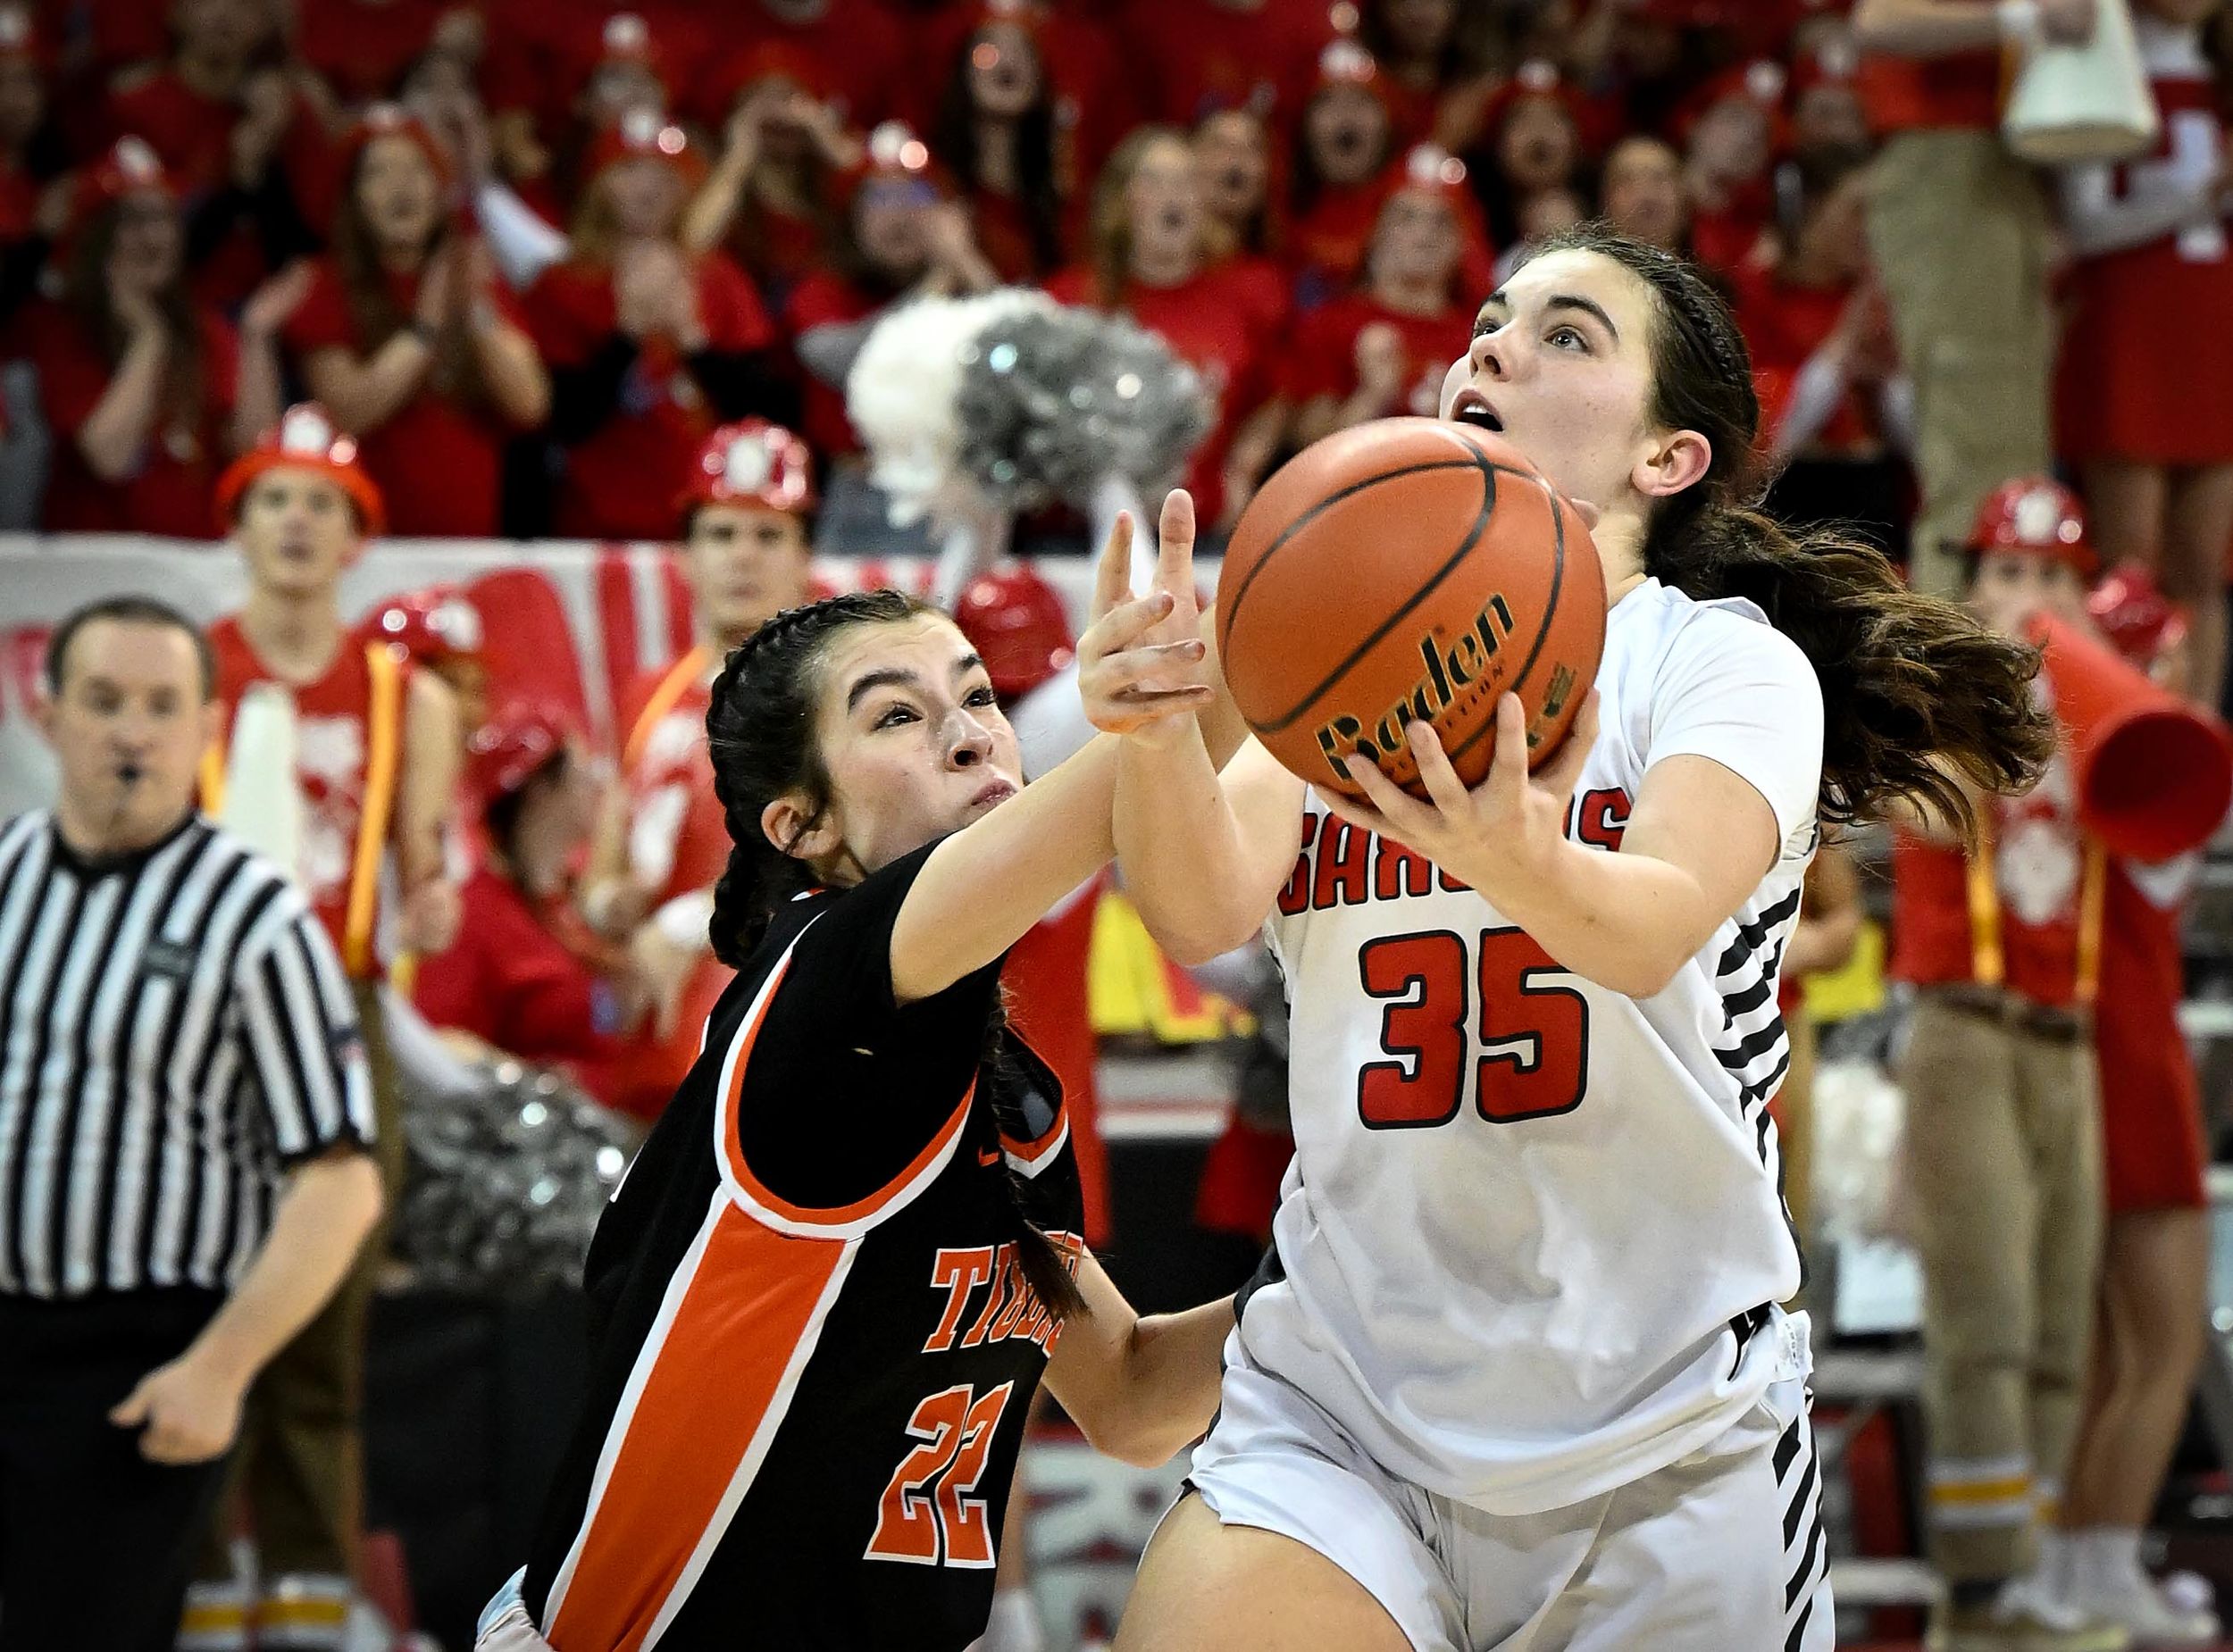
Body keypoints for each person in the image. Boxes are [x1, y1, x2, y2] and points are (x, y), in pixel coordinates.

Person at [1103, 225, 2053, 1652]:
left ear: (1667, 458)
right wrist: (1161, 731)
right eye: (1489, 320)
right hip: (1346, 1404)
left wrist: (1520, 856)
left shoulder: (1722, 664)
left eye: (1566, 334)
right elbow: (1197, 906)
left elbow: (1654, 916)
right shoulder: (1346, 639)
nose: (1490, 344)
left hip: (1668, 1436)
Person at [476, 505, 1237, 1652]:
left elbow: (1129, 1393)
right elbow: (1109, 799)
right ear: (803, 826)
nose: (974, 733)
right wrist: (1262, 639)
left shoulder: (1010, 1094)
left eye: (979, 696)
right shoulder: (821, 998)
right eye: (898, 713)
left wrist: (1334, 1279)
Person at [0, 596, 381, 1652]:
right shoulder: (8, 874)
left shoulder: (254, 914)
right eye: (105, 700)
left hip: (139, 1356)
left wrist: (220, 1366)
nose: (133, 730)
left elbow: (341, 1183)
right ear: (48, 715)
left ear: (206, 730)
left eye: (162, 705)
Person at [187, 404, 462, 1652]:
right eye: (274, 498)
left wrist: (440, 886)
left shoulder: (406, 692)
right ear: (236, 526)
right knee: (185, 1293)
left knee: (324, 1308)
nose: (297, 522)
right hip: (187, 1012)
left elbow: (430, 884)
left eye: (323, 504)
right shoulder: (183, 668)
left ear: (357, 539)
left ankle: (305, 1591)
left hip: (335, 1003)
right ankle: (189, 1575)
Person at [1888, 479, 2131, 1652]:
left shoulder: (2114, 709)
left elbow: (2169, 845)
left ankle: (2026, 1579)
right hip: (1967, 1030)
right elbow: (1932, 818)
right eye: (2009, 574)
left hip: (2067, 1039)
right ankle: (1976, 1601)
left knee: (2055, 1331)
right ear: (1971, 586)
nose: (2030, 599)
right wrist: (2020, 701)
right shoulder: (1940, 697)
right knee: (1980, 1322)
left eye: (2052, 579)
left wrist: (2127, 692)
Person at [2053, 565, 2220, 1648]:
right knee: (2162, 1346)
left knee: (2114, 1350)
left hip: (2088, 1048)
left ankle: (2076, 1565)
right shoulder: (2157, 756)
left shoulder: (2060, 758)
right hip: (2140, 1052)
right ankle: (2105, 1564)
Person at [581, 418, 819, 1120]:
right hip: (654, 1045)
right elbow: (603, 862)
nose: (742, 558)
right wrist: (609, 906)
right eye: (721, 535)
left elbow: (841, 856)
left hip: (782, 1039)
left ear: (805, 556)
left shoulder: (831, 696)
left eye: (767, 535)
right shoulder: (647, 694)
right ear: (684, 556)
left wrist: (686, 925)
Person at [1852, 0, 2096, 597]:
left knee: (2014, 460)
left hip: (2005, 163)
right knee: (1977, 461)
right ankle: (1949, 665)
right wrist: (2025, 17)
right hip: (1946, 159)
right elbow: (1878, 23)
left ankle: (1992, 657)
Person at [2055, 0, 2233, 711]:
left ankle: (2200, 741)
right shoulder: (2099, 61)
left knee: (2203, 568)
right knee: (2131, 569)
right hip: (2128, 321)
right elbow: (2085, 226)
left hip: (2214, 321)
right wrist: (2199, 200)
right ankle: (2124, 733)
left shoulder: (2222, 73)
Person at [281, 104, 549, 538]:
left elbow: (529, 406)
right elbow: (348, 412)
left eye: (416, 170)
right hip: (362, 548)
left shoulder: (475, 279)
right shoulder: (325, 285)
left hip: (470, 548)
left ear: (439, 193)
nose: (400, 186)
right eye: (379, 173)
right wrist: (424, 327)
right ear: (354, 199)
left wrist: (476, 308)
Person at [528, 108, 789, 541]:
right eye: (628, 169)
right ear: (598, 185)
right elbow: (562, 420)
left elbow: (765, 414)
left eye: (665, 174)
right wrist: (627, 337)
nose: (647, 187)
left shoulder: (720, 279)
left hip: (710, 524)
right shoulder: (562, 285)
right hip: (592, 526)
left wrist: (695, 343)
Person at [25, 137, 284, 537]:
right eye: (133, 220)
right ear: (97, 237)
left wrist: (254, 337)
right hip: (96, 570)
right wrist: (149, 338)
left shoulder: (205, 329)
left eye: (164, 218)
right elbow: (110, 456)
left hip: (195, 564)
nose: (153, 237)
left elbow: (258, 454)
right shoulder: (62, 329)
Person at [1046, 126, 1285, 531]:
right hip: (1082, 534)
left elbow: (1272, 399)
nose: (1172, 195)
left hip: (1202, 531)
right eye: (1154, 181)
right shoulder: (1070, 300)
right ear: (1122, 201)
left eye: (1187, 181)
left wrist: (1243, 471)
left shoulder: (1244, 298)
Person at [414, 698, 636, 1108]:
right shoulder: (474, 919)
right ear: (540, 789)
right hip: (551, 1151)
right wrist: (536, 1092)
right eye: (581, 772)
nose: (594, 786)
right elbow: (438, 1047)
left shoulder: (560, 905)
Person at [1284, 144, 1477, 448]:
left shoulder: (1478, 341)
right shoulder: (1330, 324)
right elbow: (1307, 451)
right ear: (1377, 231)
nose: (1424, 236)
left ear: (1461, 243)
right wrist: (1373, 395)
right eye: (1407, 218)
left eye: (1441, 222)